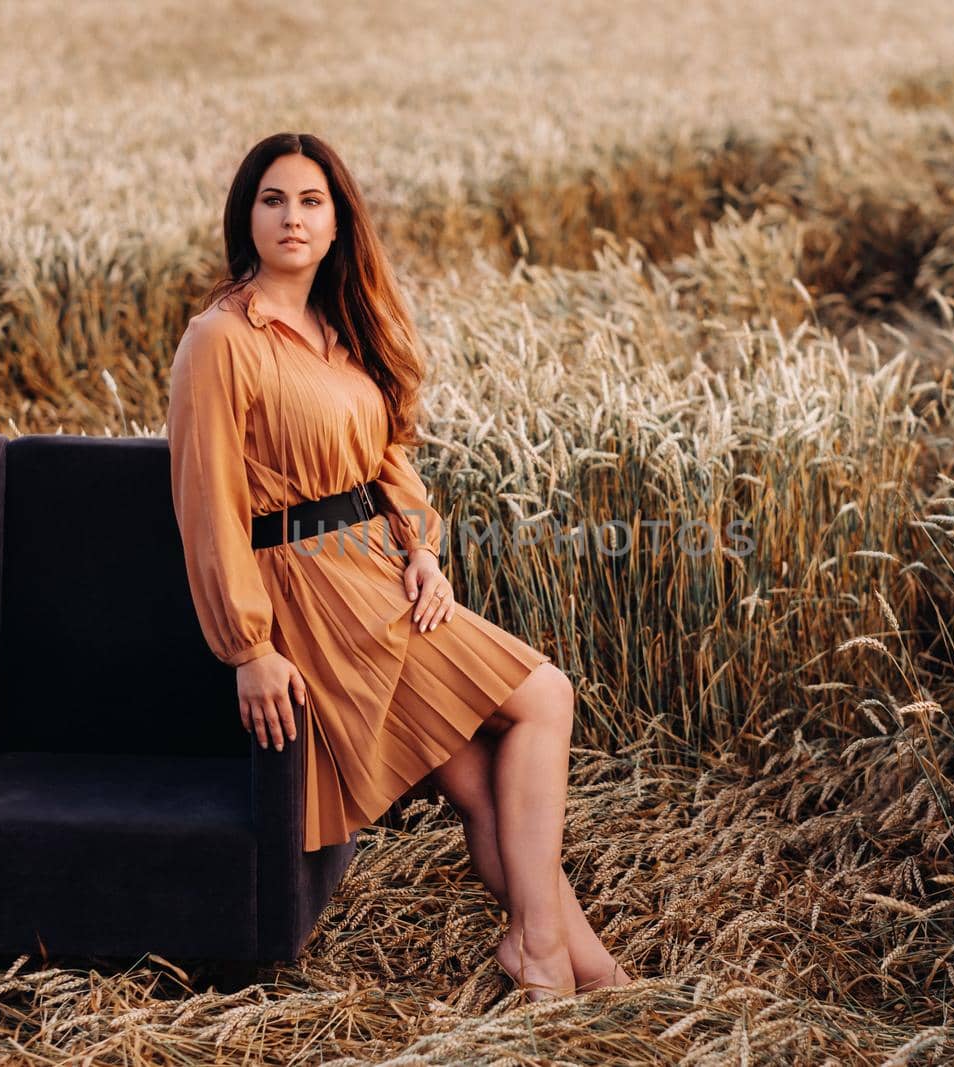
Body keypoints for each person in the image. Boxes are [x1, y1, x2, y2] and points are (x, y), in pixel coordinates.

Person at [165, 132, 634, 1000]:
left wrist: (425, 549)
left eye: (311, 201)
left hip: (382, 575)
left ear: (339, 221)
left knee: (486, 788)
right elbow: (208, 504)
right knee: (545, 695)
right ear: (247, 215)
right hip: (315, 593)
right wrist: (248, 647)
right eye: (273, 199)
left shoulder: (341, 329)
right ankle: (540, 949)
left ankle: (580, 966)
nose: (292, 218)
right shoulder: (222, 339)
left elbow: (387, 461)